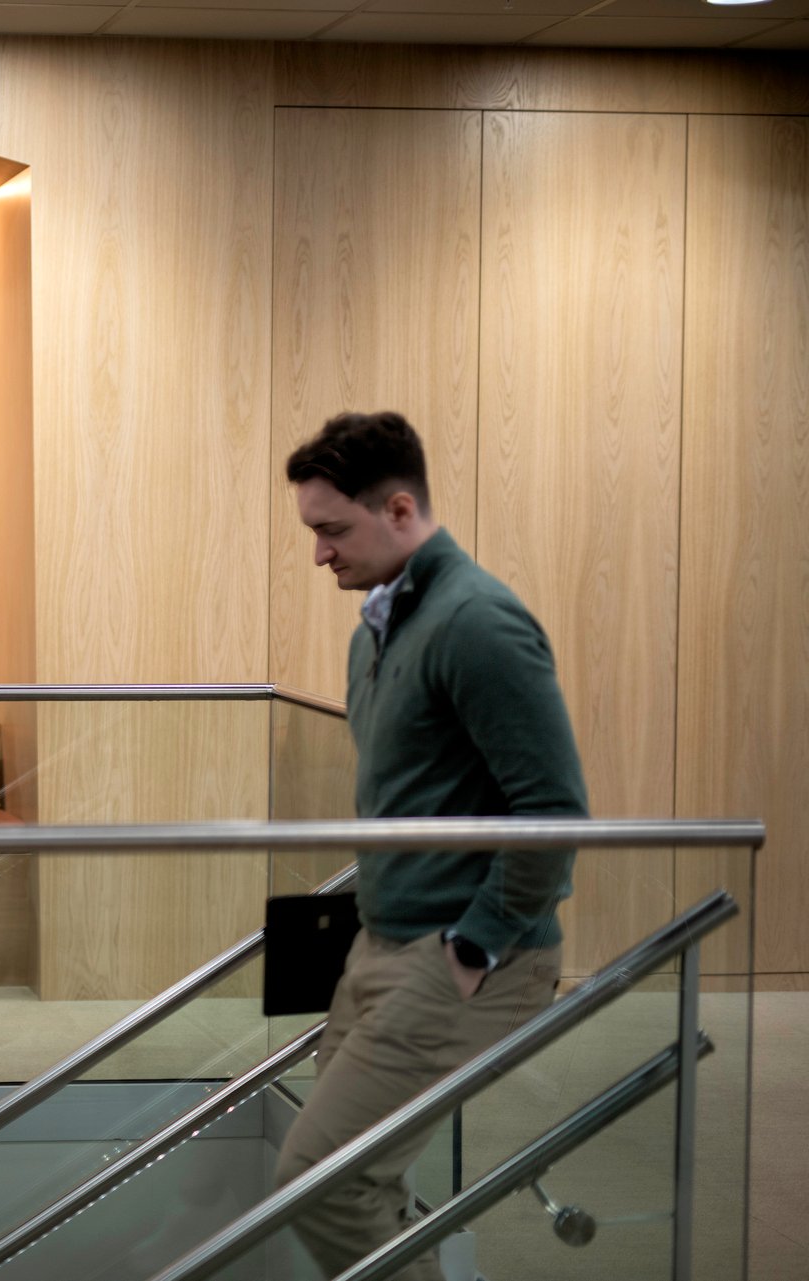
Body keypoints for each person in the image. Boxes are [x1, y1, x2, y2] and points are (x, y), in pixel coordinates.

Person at [274, 411, 589, 1280]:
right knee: (349, 1173)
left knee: (321, 1179)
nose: (319, 554)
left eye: (332, 530)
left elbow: (555, 809)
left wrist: (472, 946)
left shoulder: (478, 621)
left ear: (401, 509)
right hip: (383, 945)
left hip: (466, 958)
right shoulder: (377, 627)